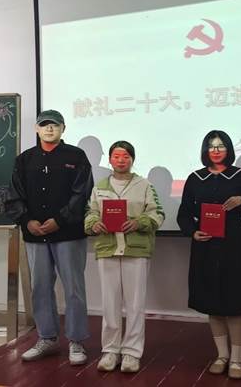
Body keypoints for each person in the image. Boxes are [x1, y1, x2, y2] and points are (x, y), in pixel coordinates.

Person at [4, 109, 93, 365]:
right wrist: (26, 220)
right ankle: (47, 338)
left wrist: (60, 220)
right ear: (37, 129)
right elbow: (14, 195)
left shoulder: (76, 156)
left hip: (68, 233)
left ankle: (76, 340)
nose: (49, 129)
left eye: (54, 125)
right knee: (40, 287)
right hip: (35, 235)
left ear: (63, 128)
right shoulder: (24, 160)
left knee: (74, 288)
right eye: (44, 125)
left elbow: (82, 194)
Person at [177, 130, 241, 380]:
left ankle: (236, 359)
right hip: (205, 243)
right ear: (205, 150)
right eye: (211, 146)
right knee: (212, 302)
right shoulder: (195, 178)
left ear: (229, 149)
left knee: (235, 303)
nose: (215, 150)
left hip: (234, 243)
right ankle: (222, 355)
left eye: (221, 146)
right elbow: (184, 213)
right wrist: (192, 232)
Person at [84, 141, 164, 373]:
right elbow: (90, 213)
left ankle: (131, 352)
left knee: (135, 304)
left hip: (136, 250)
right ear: (110, 159)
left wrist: (140, 222)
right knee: (109, 303)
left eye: (126, 156)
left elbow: (158, 213)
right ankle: (110, 350)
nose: (121, 160)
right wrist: (93, 224)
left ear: (132, 159)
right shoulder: (99, 186)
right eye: (117, 156)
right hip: (108, 248)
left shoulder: (144, 185)